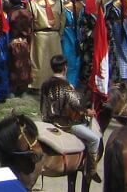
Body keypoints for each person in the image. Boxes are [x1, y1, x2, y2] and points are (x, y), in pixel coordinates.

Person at [39, 54, 101, 182]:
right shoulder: (66, 86)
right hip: (66, 125)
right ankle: (91, 169)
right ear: (65, 68)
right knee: (95, 139)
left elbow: (42, 104)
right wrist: (87, 112)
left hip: (48, 121)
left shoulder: (45, 84)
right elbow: (75, 104)